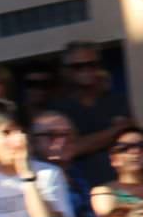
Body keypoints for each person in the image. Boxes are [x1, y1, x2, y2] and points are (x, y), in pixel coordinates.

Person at [49, 40, 133, 190]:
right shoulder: (57, 110)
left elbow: (130, 137)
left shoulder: (117, 101)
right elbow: (71, 148)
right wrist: (114, 131)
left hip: (122, 186)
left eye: (92, 64)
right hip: (81, 188)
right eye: (77, 66)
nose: (86, 70)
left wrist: (87, 141)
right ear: (65, 71)